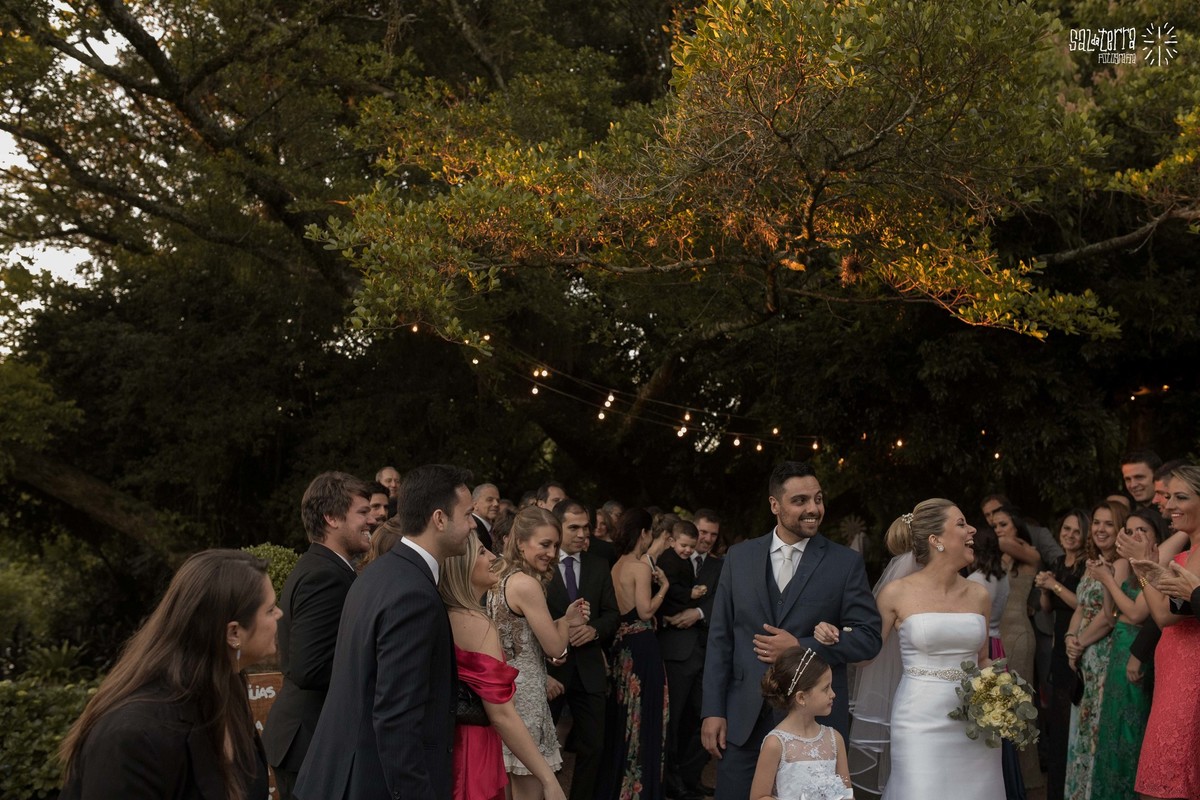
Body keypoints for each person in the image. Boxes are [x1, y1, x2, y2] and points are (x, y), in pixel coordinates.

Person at [294, 463, 475, 800]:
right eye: (467, 515)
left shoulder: (380, 573)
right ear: (439, 519)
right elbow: (396, 718)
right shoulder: (412, 594)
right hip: (372, 783)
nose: (473, 525)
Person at [702, 461, 881, 800]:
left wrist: (800, 646)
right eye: (800, 500)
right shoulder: (739, 557)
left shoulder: (844, 563)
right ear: (775, 505)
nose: (813, 508)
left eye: (818, 499)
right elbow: (720, 639)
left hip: (814, 729)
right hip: (744, 720)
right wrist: (712, 709)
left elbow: (869, 639)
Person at [59, 550, 277, 800]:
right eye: (270, 609)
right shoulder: (133, 737)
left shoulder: (227, 686)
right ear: (234, 633)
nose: (280, 614)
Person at [874, 499, 1002, 799]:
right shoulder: (895, 593)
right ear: (936, 540)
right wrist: (830, 636)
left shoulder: (979, 594)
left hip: (976, 721)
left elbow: (983, 660)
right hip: (920, 720)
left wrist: (1003, 696)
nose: (972, 530)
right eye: (961, 524)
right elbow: (866, 654)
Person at [264, 471, 372, 799]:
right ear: (331, 518)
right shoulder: (324, 576)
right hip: (310, 743)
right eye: (362, 512)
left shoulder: (326, 568)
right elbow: (309, 667)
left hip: (311, 739)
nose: (371, 520)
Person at [441, 530, 566, 800]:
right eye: (482, 552)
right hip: (474, 746)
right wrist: (548, 780)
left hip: (454, 743)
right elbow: (502, 715)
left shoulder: (446, 613)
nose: (493, 557)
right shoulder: (476, 623)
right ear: (463, 565)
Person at [490, 506, 588, 800]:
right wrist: (568, 622)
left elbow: (519, 636)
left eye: (555, 545)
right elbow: (555, 648)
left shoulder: (498, 576)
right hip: (526, 700)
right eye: (545, 544)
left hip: (503, 697)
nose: (552, 553)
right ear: (521, 542)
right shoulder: (527, 584)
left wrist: (561, 622)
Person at [1130, 465, 1200, 799]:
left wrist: (1142, 568)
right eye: (1169, 497)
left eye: (1180, 497)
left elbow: (1162, 615)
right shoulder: (1187, 553)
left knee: (1170, 778)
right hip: (1174, 670)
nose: (1170, 505)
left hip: (1189, 674)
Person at [546, 499, 620, 800]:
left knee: (594, 746)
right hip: (550, 670)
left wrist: (594, 630)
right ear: (557, 528)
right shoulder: (542, 564)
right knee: (540, 745)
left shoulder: (598, 565)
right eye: (573, 527)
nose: (581, 534)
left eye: (585, 527)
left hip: (589, 668)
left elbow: (612, 614)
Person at [596, 507, 671, 800]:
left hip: (621, 646)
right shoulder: (639, 567)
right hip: (641, 648)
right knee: (645, 716)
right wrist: (663, 587)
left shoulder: (615, 566)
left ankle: (619, 787)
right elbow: (645, 610)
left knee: (624, 715)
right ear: (643, 533)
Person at [1089, 509, 1163, 800]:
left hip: (1137, 652)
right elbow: (1111, 614)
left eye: (1142, 530)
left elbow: (1135, 614)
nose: (1134, 536)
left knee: (1131, 728)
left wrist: (1108, 581)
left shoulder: (1156, 567)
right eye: (1129, 531)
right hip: (1118, 650)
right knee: (1112, 727)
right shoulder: (1130, 569)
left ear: (1156, 535)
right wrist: (1107, 578)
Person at [847, 516, 921, 797]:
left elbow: (871, 647)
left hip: (906, 684)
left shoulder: (893, 587)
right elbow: (873, 646)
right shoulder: (898, 590)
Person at [1062, 500, 1125, 800]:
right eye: (1097, 522)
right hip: (1083, 652)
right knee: (1081, 727)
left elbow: (1109, 617)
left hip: (1103, 654)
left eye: (1109, 524)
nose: (1100, 529)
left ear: (1120, 528)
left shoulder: (1122, 565)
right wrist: (1069, 637)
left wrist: (1080, 643)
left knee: (1094, 727)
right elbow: (1081, 607)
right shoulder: (1092, 563)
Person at [1033, 509, 1088, 800]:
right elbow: (1047, 608)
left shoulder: (1087, 565)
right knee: (1056, 720)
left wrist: (1054, 585)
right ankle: (1055, 788)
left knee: (1069, 720)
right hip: (1058, 646)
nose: (1070, 535)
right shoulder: (1058, 562)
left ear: (1085, 535)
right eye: (1066, 529)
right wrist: (1045, 588)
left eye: (1077, 531)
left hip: (1078, 646)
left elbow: (1082, 602)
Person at [751, 647, 853, 800]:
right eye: (826, 688)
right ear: (801, 698)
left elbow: (847, 793)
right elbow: (759, 797)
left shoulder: (835, 739)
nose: (833, 694)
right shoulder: (775, 744)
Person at [991, 506, 1044, 797]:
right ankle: (1007, 777)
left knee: (1022, 706)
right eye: (994, 526)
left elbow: (999, 542)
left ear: (1017, 526)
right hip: (997, 633)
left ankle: (1029, 779)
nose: (998, 530)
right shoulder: (998, 557)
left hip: (1020, 633)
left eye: (1003, 524)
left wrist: (993, 539)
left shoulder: (1029, 553)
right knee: (1000, 705)